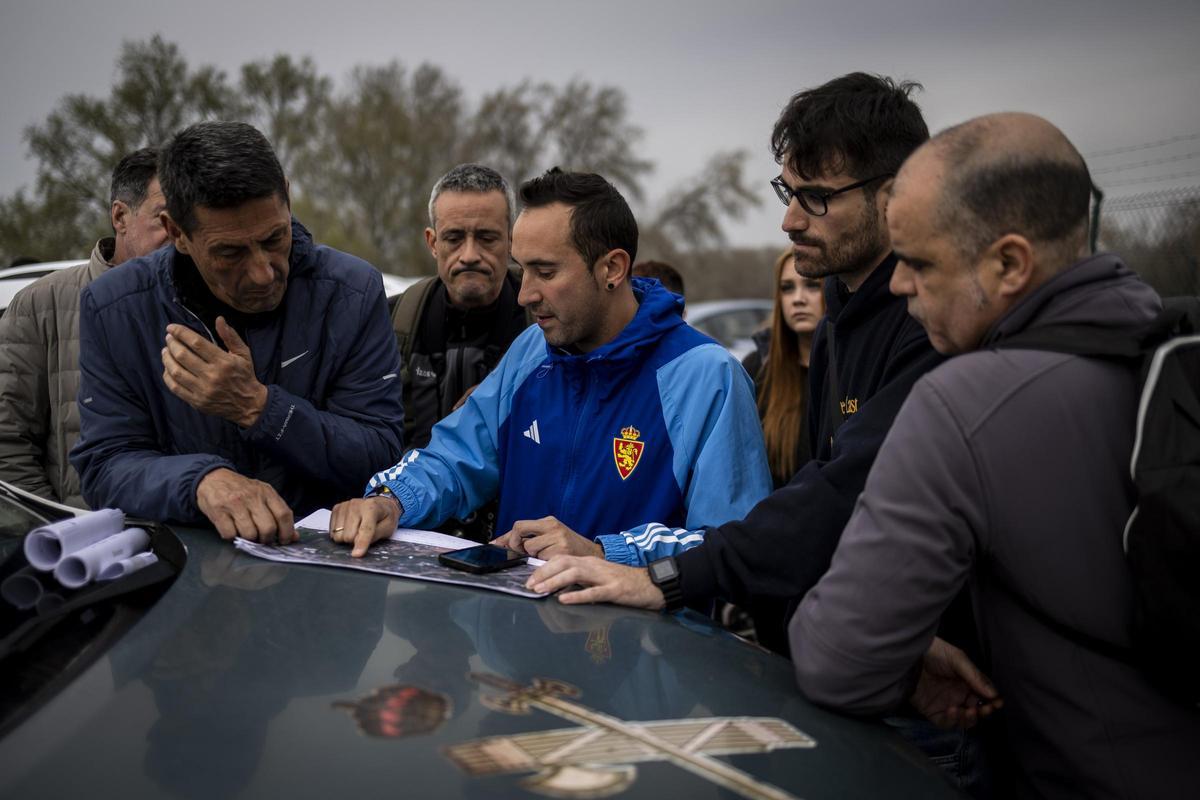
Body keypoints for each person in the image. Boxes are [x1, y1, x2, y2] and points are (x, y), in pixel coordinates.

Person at [790, 112, 1200, 797]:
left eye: (919, 263)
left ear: (1009, 263)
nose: (898, 285)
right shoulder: (1177, 351)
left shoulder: (960, 405)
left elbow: (841, 661)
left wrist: (903, 657)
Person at [524, 74, 943, 653]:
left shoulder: (931, 328)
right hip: (851, 654)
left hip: (923, 676)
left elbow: (837, 502)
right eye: (787, 192)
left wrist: (659, 577)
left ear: (893, 195)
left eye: (816, 196)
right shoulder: (837, 324)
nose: (791, 220)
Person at [328, 168, 771, 562]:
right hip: (519, 641)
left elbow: (735, 544)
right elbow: (454, 457)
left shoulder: (707, 377)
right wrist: (390, 501)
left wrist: (601, 553)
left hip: (643, 648)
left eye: (545, 271)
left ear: (612, 268)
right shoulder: (531, 351)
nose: (525, 294)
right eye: (524, 269)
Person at [71, 121, 405, 543]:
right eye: (229, 252)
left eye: (274, 238)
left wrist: (260, 408)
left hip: (327, 567)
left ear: (286, 195)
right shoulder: (116, 307)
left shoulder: (351, 292)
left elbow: (379, 453)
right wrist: (200, 481)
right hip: (185, 575)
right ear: (176, 232)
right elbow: (105, 466)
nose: (263, 272)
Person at [0, 148, 169, 506]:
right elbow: (7, 444)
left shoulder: (205, 301)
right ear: (120, 216)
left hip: (187, 547)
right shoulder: (40, 304)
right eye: (164, 219)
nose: (178, 234)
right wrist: (58, 531)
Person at [393, 164, 529, 452]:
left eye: (487, 238)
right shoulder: (389, 322)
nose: (469, 255)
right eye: (453, 238)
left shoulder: (548, 325)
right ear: (432, 242)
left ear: (511, 240)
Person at [742, 249, 825, 487]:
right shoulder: (758, 368)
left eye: (811, 285)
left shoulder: (847, 368)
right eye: (787, 288)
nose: (798, 298)